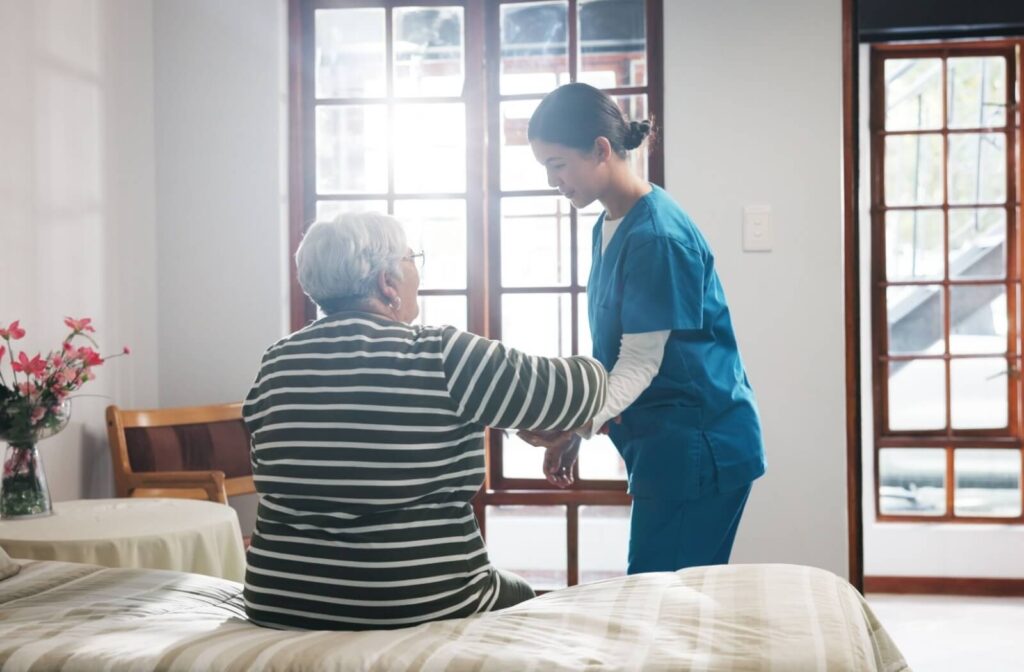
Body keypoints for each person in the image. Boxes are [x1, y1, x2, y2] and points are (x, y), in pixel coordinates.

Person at [242, 212, 607, 630]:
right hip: (416, 597)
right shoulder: (440, 353)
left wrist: (499, 415)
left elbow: (343, 424)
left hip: (281, 599)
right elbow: (579, 390)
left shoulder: (276, 361)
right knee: (522, 595)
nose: (417, 270)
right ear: (387, 282)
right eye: (412, 258)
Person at [520, 83, 766, 574]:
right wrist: (579, 431)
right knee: (668, 604)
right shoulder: (610, 223)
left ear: (600, 149)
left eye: (557, 165)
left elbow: (639, 362)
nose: (553, 182)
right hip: (667, 444)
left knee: (659, 606)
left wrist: (573, 423)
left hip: (699, 444)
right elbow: (614, 347)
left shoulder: (657, 235)